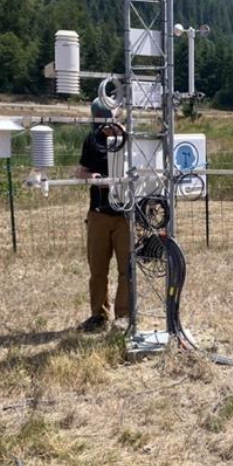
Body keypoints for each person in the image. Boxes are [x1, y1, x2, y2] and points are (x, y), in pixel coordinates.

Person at [77, 107, 131, 332]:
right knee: (98, 269)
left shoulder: (132, 139)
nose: (107, 128)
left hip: (126, 215)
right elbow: (80, 172)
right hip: (99, 213)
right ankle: (99, 315)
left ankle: (124, 316)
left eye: (112, 121)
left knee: (127, 268)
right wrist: (92, 177)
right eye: (103, 123)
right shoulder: (92, 140)